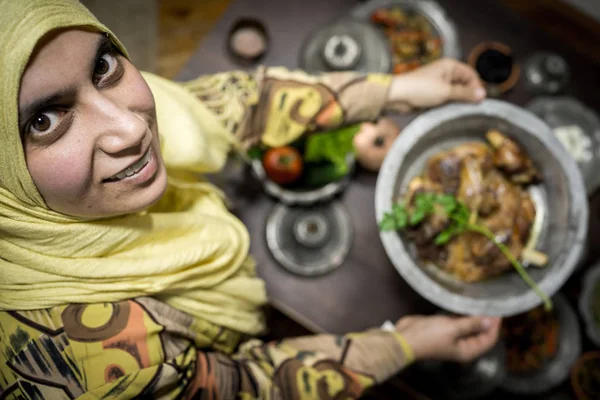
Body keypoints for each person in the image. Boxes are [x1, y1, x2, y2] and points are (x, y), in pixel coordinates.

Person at [0, 1, 501, 398]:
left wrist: (398, 89)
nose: (132, 126)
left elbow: (229, 104)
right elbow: (247, 387)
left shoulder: (112, 129)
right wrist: (402, 343)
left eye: (104, 64)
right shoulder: (104, 371)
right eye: (45, 120)